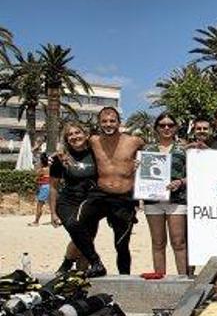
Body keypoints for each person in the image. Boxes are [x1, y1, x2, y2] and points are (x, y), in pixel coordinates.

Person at [72, 106, 145, 277]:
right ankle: (85, 269)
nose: (108, 124)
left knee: (121, 244)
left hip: (124, 198)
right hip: (99, 194)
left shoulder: (135, 141)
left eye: (112, 120)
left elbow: (156, 153)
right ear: (99, 123)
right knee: (81, 230)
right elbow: (73, 147)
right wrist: (57, 157)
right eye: (104, 121)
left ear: (119, 122)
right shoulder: (93, 141)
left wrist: (141, 164)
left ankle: (124, 277)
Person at [142, 113, 188, 276]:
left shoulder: (184, 149)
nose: (166, 128)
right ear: (156, 128)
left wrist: (181, 182)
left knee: (179, 242)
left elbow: (195, 173)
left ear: (175, 127)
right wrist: (137, 169)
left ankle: (183, 279)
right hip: (153, 201)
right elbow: (140, 176)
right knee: (158, 243)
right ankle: (159, 279)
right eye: (162, 125)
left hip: (177, 201)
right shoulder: (147, 150)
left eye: (170, 124)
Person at [49, 122, 97, 273]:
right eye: (70, 134)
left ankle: (79, 272)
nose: (75, 136)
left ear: (85, 134)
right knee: (74, 227)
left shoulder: (95, 154)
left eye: (78, 132)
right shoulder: (60, 158)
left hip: (90, 203)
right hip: (67, 202)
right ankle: (95, 262)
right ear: (66, 139)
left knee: (85, 241)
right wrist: (52, 213)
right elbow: (53, 186)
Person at [30, 153, 51, 226]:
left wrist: (37, 166)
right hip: (51, 187)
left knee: (39, 205)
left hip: (44, 187)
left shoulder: (42, 170)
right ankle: (54, 220)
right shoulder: (50, 168)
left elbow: (36, 177)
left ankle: (36, 221)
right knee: (52, 205)